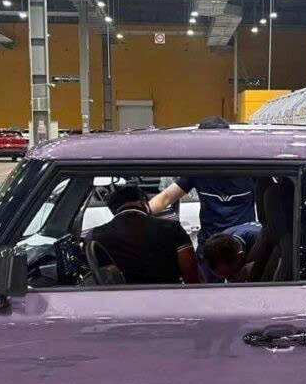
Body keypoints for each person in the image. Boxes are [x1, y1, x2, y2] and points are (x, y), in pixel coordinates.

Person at [148, 116, 256, 281]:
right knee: (206, 292)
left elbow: (272, 198)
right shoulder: (199, 171)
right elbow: (165, 198)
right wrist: (135, 215)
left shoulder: (251, 169)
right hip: (210, 248)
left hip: (240, 247)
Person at [86, 184, 201, 285]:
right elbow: (191, 276)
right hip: (167, 296)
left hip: (118, 300)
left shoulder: (94, 236)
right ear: (144, 203)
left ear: (113, 210)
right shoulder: (172, 228)